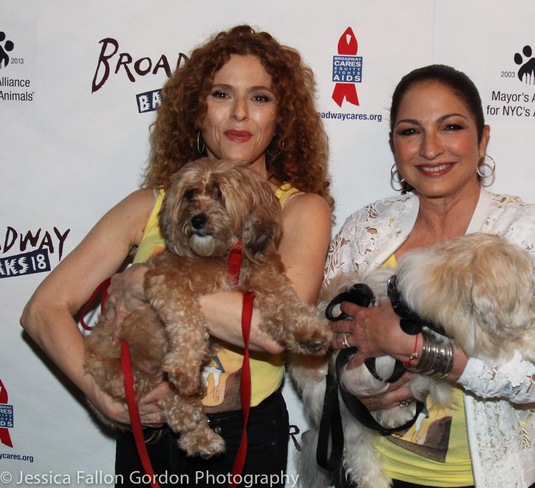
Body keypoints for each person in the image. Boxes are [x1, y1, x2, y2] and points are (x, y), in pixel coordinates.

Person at [20, 25, 333, 486]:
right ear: (196, 110)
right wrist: (102, 397)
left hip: (247, 433)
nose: (240, 113)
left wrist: (150, 281)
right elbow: (42, 310)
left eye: (261, 97)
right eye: (222, 94)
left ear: (281, 116)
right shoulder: (150, 203)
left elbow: (270, 330)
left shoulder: (300, 209)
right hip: (149, 434)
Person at [325, 65, 535, 488]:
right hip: (369, 476)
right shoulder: (364, 228)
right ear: (393, 145)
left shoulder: (524, 229)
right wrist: (352, 377)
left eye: (450, 126)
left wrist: (411, 347)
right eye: (410, 131)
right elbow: (320, 340)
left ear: (483, 138)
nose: (430, 148)